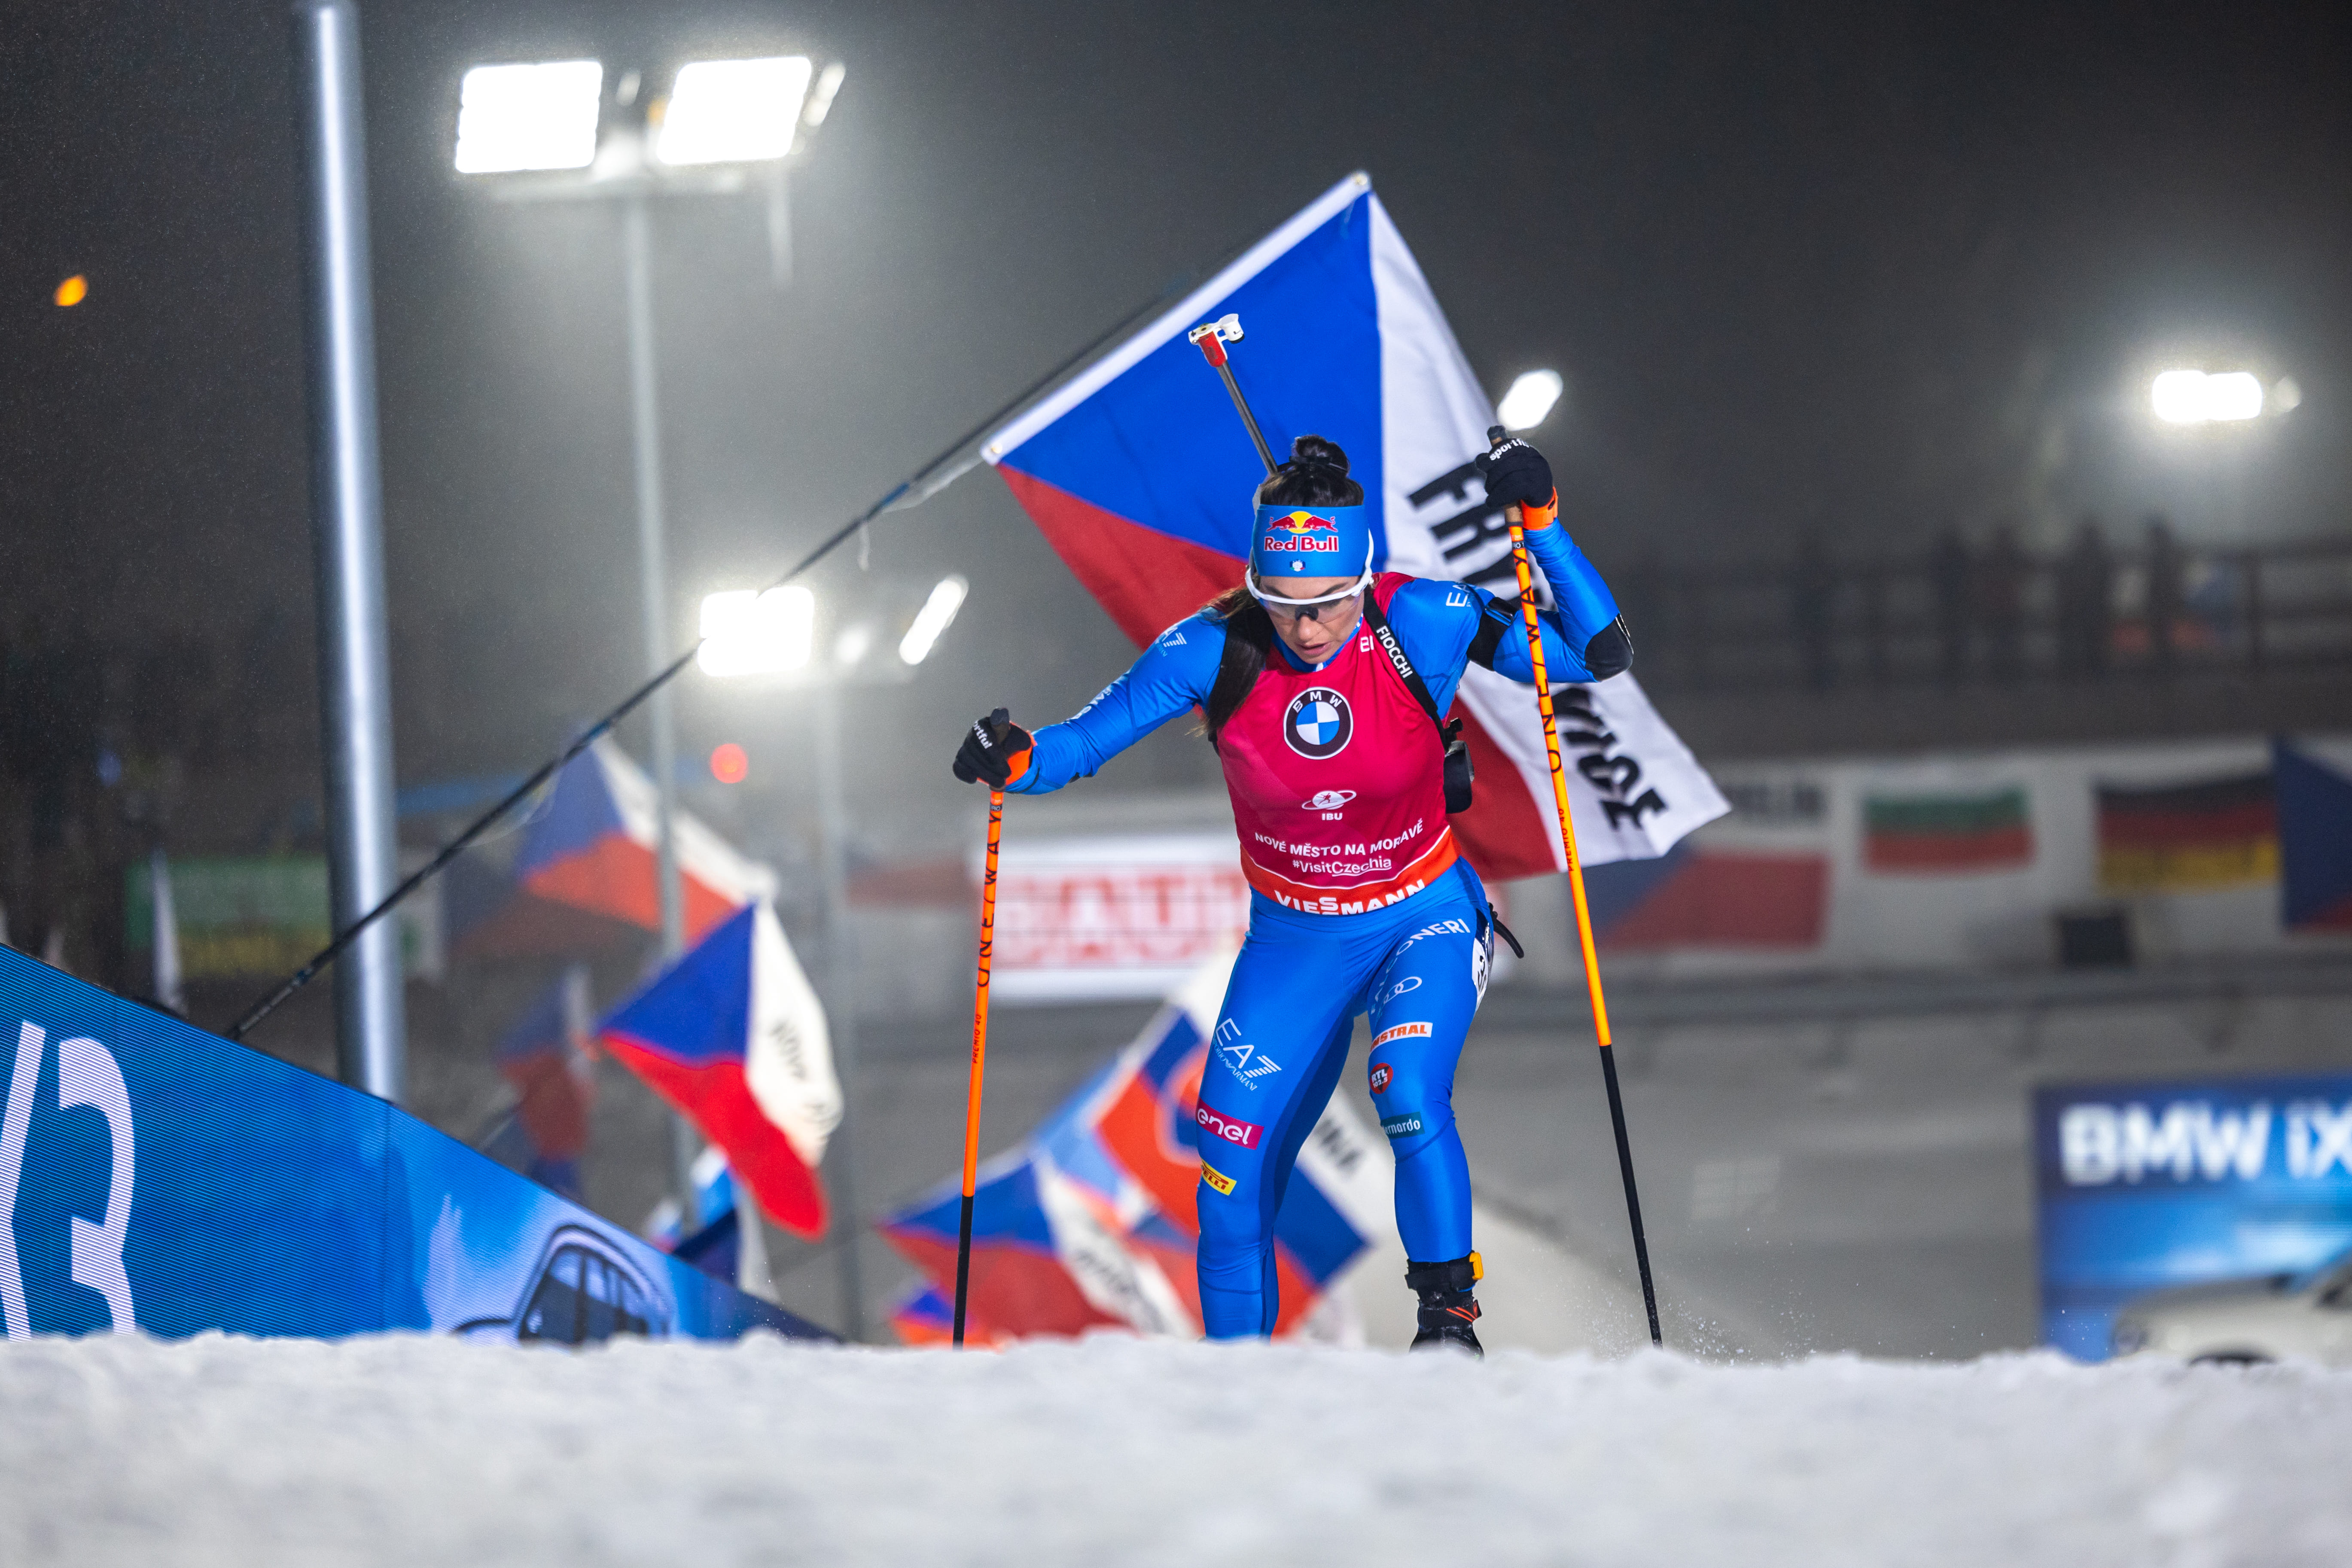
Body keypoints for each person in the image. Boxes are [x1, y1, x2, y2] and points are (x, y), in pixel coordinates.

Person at [951, 434, 1630, 1354]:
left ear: (1362, 575)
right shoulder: (1212, 648)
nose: (1305, 630)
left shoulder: (1421, 618)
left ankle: (1447, 1322)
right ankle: (1242, 1384)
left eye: (1326, 604)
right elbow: (1074, 745)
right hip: (1295, 941)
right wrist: (1013, 755)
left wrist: (1541, 525)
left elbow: (1594, 652)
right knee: (1225, 1172)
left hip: (1420, 916)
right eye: (1282, 606)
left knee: (1405, 1091)